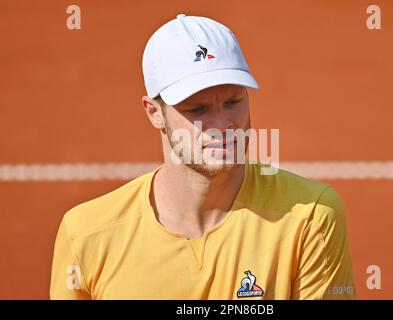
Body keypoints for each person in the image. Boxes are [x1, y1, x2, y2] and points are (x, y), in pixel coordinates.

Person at [50, 13, 356, 300]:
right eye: (197, 109)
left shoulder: (310, 216)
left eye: (233, 101)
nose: (223, 125)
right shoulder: (86, 235)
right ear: (154, 112)